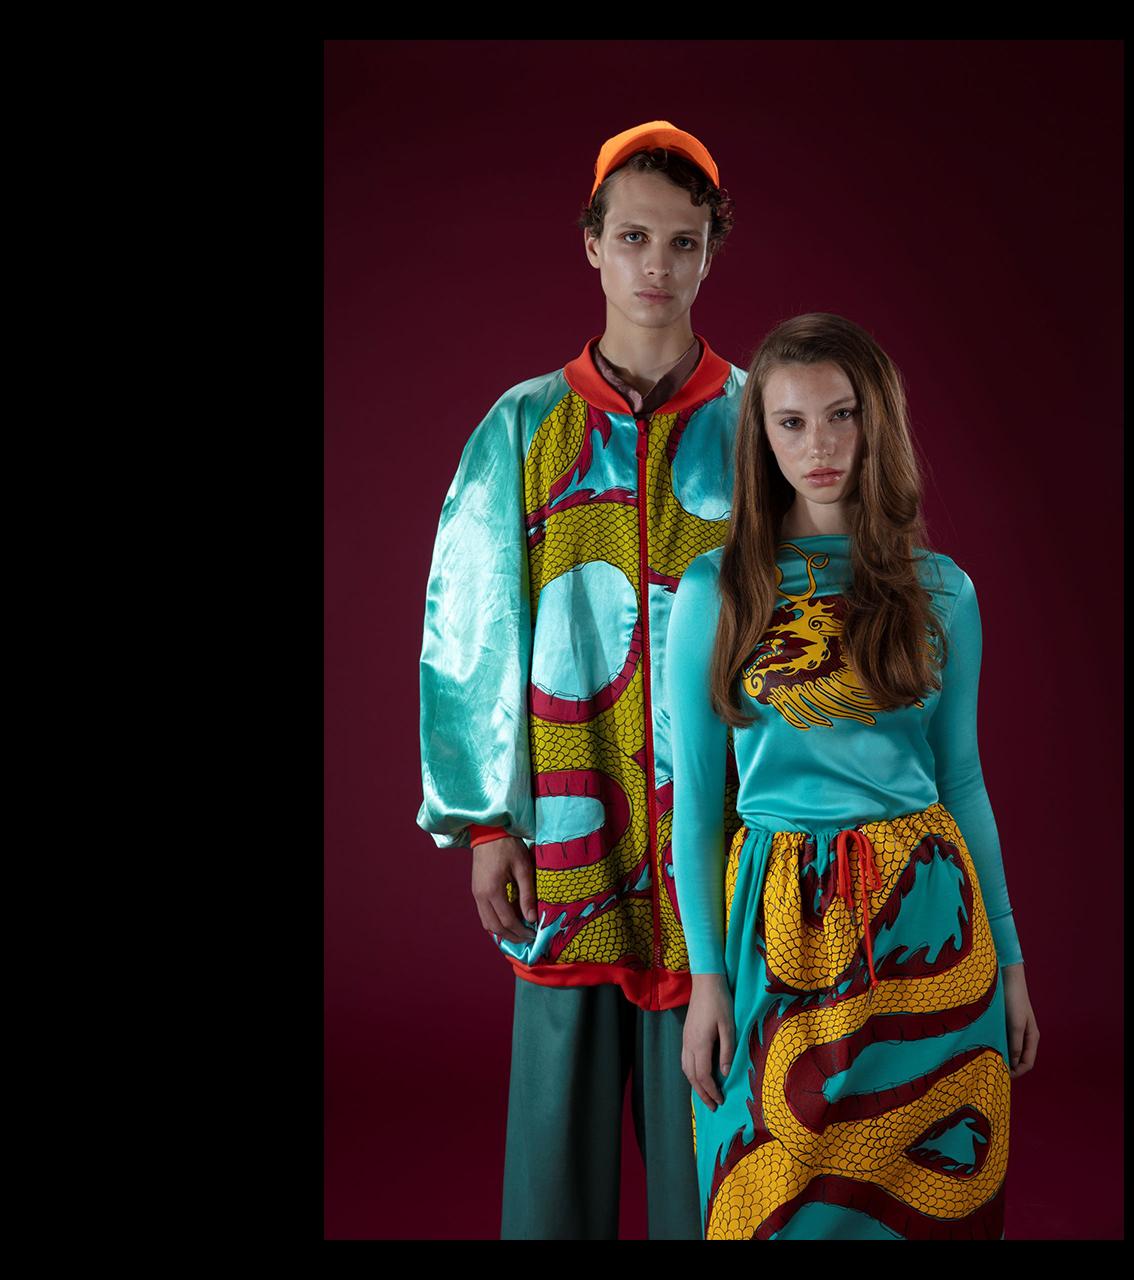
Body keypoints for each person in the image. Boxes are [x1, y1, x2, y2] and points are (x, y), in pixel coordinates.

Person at [416, 121, 746, 1239]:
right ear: (592, 245)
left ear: (712, 253)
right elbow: (472, 630)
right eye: (636, 237)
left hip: (721, 832)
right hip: (569, 820)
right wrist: (483, 821)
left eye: (684, 242)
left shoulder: (758, 423)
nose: (659, 267)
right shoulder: (524, 429)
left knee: (715, 1139)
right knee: (555, 1155)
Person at [664, 313, 1042, 1240]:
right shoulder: (717, 591)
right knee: (772, 1192)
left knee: (928, 1202)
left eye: (841, 415)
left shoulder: (943, 591)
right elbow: (698, 809)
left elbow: (964, 782)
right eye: (790, 423)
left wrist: (1013, 958)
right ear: (761, 437)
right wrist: (705, 980)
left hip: (931, 925)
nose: (820, 446)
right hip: (777, 921)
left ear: (878, 421)